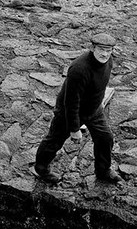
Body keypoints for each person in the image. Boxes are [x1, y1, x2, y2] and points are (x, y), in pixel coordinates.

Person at [33, 33, 122, 184]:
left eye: (109, 50)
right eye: (101, 49)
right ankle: (41, 168)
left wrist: (98, 103)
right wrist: (75, 129)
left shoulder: (108, 61)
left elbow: (100, 85)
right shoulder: (79, 69)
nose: (105, 54)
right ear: (93, 48)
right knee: (54, 140)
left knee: (105, 138)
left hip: (93, 110)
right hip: (69, 112)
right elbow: (71, 102)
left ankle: (103, 170)